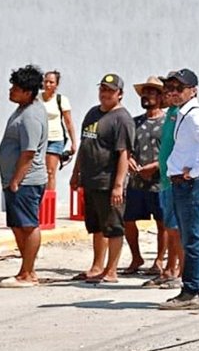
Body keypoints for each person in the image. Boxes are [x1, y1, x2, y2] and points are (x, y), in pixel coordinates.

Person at [160, 68, 199, 310]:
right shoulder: (182, 113)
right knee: (188, 238)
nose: (173, 92)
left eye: (178, 88)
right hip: (184, 183)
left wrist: (192, 172)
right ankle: (195, 290)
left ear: (192, 90)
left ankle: (191, 291)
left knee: (191, 240)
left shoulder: (194, 115)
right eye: (169, 88)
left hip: (191, 184)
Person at [70, 73, 133, 284]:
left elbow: (124, 153)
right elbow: (84, 145)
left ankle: (111, 270)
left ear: (120, 94)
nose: (105, 94)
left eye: (110, 90)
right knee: (96, 226)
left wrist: (118, 185)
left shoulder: (122, 119)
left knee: (113, 227)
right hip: (91, 180)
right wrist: (76, 172)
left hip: (109, 181)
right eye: (102, 89)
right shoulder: (92, 114)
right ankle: (97, 267)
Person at [0, 65, 48, 288]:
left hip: (26, 181)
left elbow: (29, 152)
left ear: (27, 92)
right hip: (15, 180)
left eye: (16, 88)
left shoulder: (31, 116)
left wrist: (16, 180)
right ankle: (26, 269)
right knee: (18, 225)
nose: (11, 90)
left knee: (28, 225)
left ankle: (28, 273)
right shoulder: (22, 109)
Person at [143, 75, 185, 290]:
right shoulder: (170, 113)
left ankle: (180, 272)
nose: (169, 93)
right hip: (166, 180)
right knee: (171, 227)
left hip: (177, 179)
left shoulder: (183, 114)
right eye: (166, 89)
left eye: (172, 89)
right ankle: (170, 269)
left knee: (178, 228)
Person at [123, 76, 167, 276]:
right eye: (145, 92)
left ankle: (159, 260)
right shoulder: (135, 122)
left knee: (162, 222)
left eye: (151, 92)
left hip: (160, 182)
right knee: (128, 219)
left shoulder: (168, 122)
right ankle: (136, 257)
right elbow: (126, 148)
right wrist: (129, 160)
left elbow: (172, 151)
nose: (146, 96)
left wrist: (156, 166)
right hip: (136, 181)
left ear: (160, 97)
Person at [40, 70, 77, 191]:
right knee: (38, 172)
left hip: (55, 139)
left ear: (56, 84)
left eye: (51, 82)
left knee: (50, 171)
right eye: (46, 81)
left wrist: (73, 142)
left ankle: (49, 201)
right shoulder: (36, 98)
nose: (48, 85)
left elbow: (68, 122)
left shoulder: (61, 100)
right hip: (39, 140)